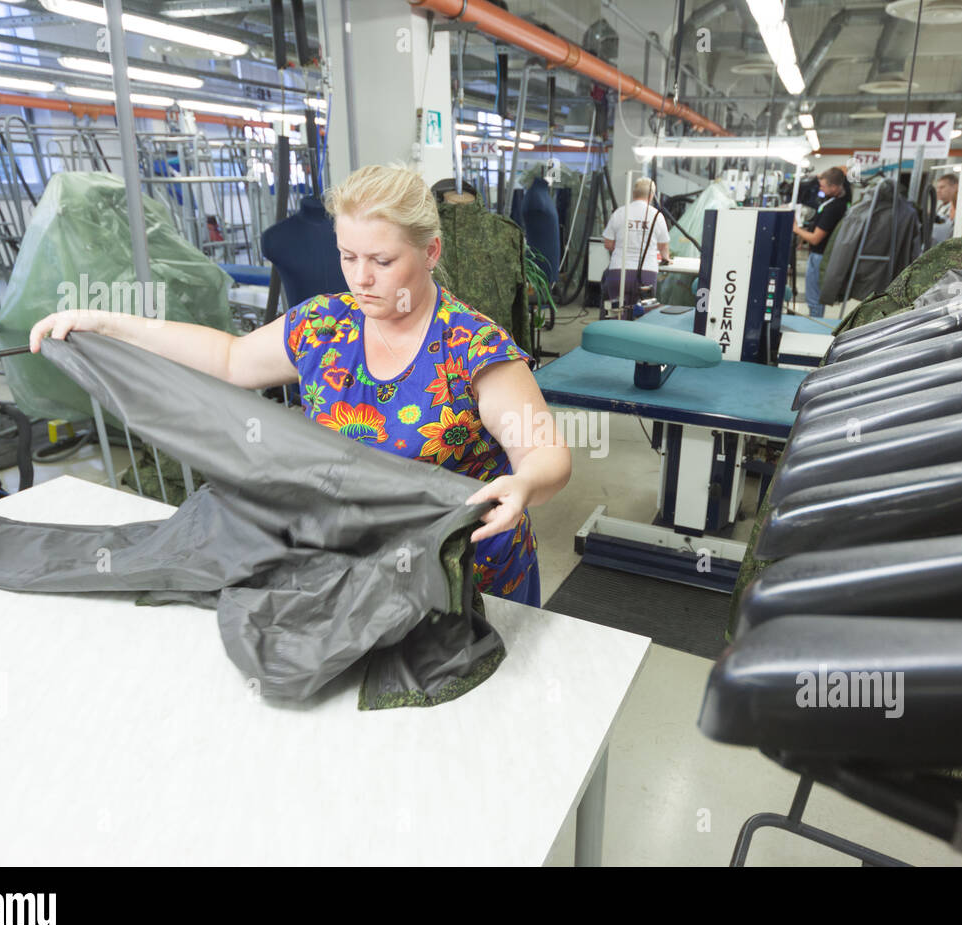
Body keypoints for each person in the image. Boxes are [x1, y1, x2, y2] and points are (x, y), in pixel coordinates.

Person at [29, 164, 572, 608]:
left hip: (468, 580)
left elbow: (544, 451)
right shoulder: (323, 326)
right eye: (348, 256)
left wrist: (524, 487)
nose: (360, 278)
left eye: (382, 261)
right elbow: (229, 357)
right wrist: (108, 324)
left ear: (429, 253)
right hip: (359, 569)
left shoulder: (473, 348)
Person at [601, 176, 670, 313]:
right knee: (642, 315)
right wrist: (665, 257)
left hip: (619, 272)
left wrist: (623, 247)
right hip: (647, 273)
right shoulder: (657, 215)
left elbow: (608, 244)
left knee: (618, 313)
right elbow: (663, 246)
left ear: (633, 194)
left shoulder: (620, 212)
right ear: (651, 196)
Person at [792, 167, 848, 318]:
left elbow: (816, 238)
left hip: (820, 257)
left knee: (814, 299)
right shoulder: (835, 201)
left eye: (823, 186)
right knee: (815, 298)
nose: (820, 188)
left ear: (834, 187)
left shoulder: (833, 208)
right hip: (820, 255)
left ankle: (812, 329)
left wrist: (796, 229)